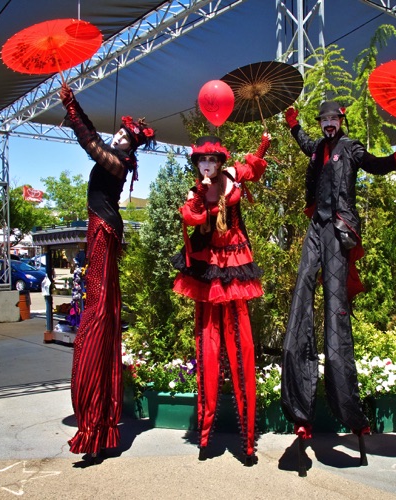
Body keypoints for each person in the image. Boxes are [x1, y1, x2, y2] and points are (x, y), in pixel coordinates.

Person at [281, 102, 396, 470]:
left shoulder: (350, 147)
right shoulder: (319, 148)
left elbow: (374, 164)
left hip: (338, 231)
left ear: (340, 122)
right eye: (323, 120)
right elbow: (305, 144)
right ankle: (299, 408)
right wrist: (293, 126)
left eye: (332, 120)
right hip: (315, 227)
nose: (327, 125)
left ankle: (351, 414)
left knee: (334, 313)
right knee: (301, 296)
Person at [60, 82, 156, 464]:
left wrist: (71, 103)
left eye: (124, 135)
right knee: (98, 305)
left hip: (103, 230)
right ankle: (98, 420)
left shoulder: (116, 163)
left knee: (98, 310)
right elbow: (90, 134)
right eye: (118, 132)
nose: (117, 136)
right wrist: (73, 106)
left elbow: (89, 142)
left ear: (131, 148)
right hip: (100, 228)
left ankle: (96, 421)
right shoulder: (112, 157)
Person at [171, 133, 270, 466]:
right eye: (202, 160)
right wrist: (200, 190)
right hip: (207, 271)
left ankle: (248, 441)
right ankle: (204, 435)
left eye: (212, 159)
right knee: (207, 346)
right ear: (196, 164)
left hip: (235, 268)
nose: (208, 165)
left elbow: (254, 170)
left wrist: (263, 145)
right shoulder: (195, 191)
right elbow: (192, 218)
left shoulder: (232, 177)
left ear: (221, 162)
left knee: (241, 347)